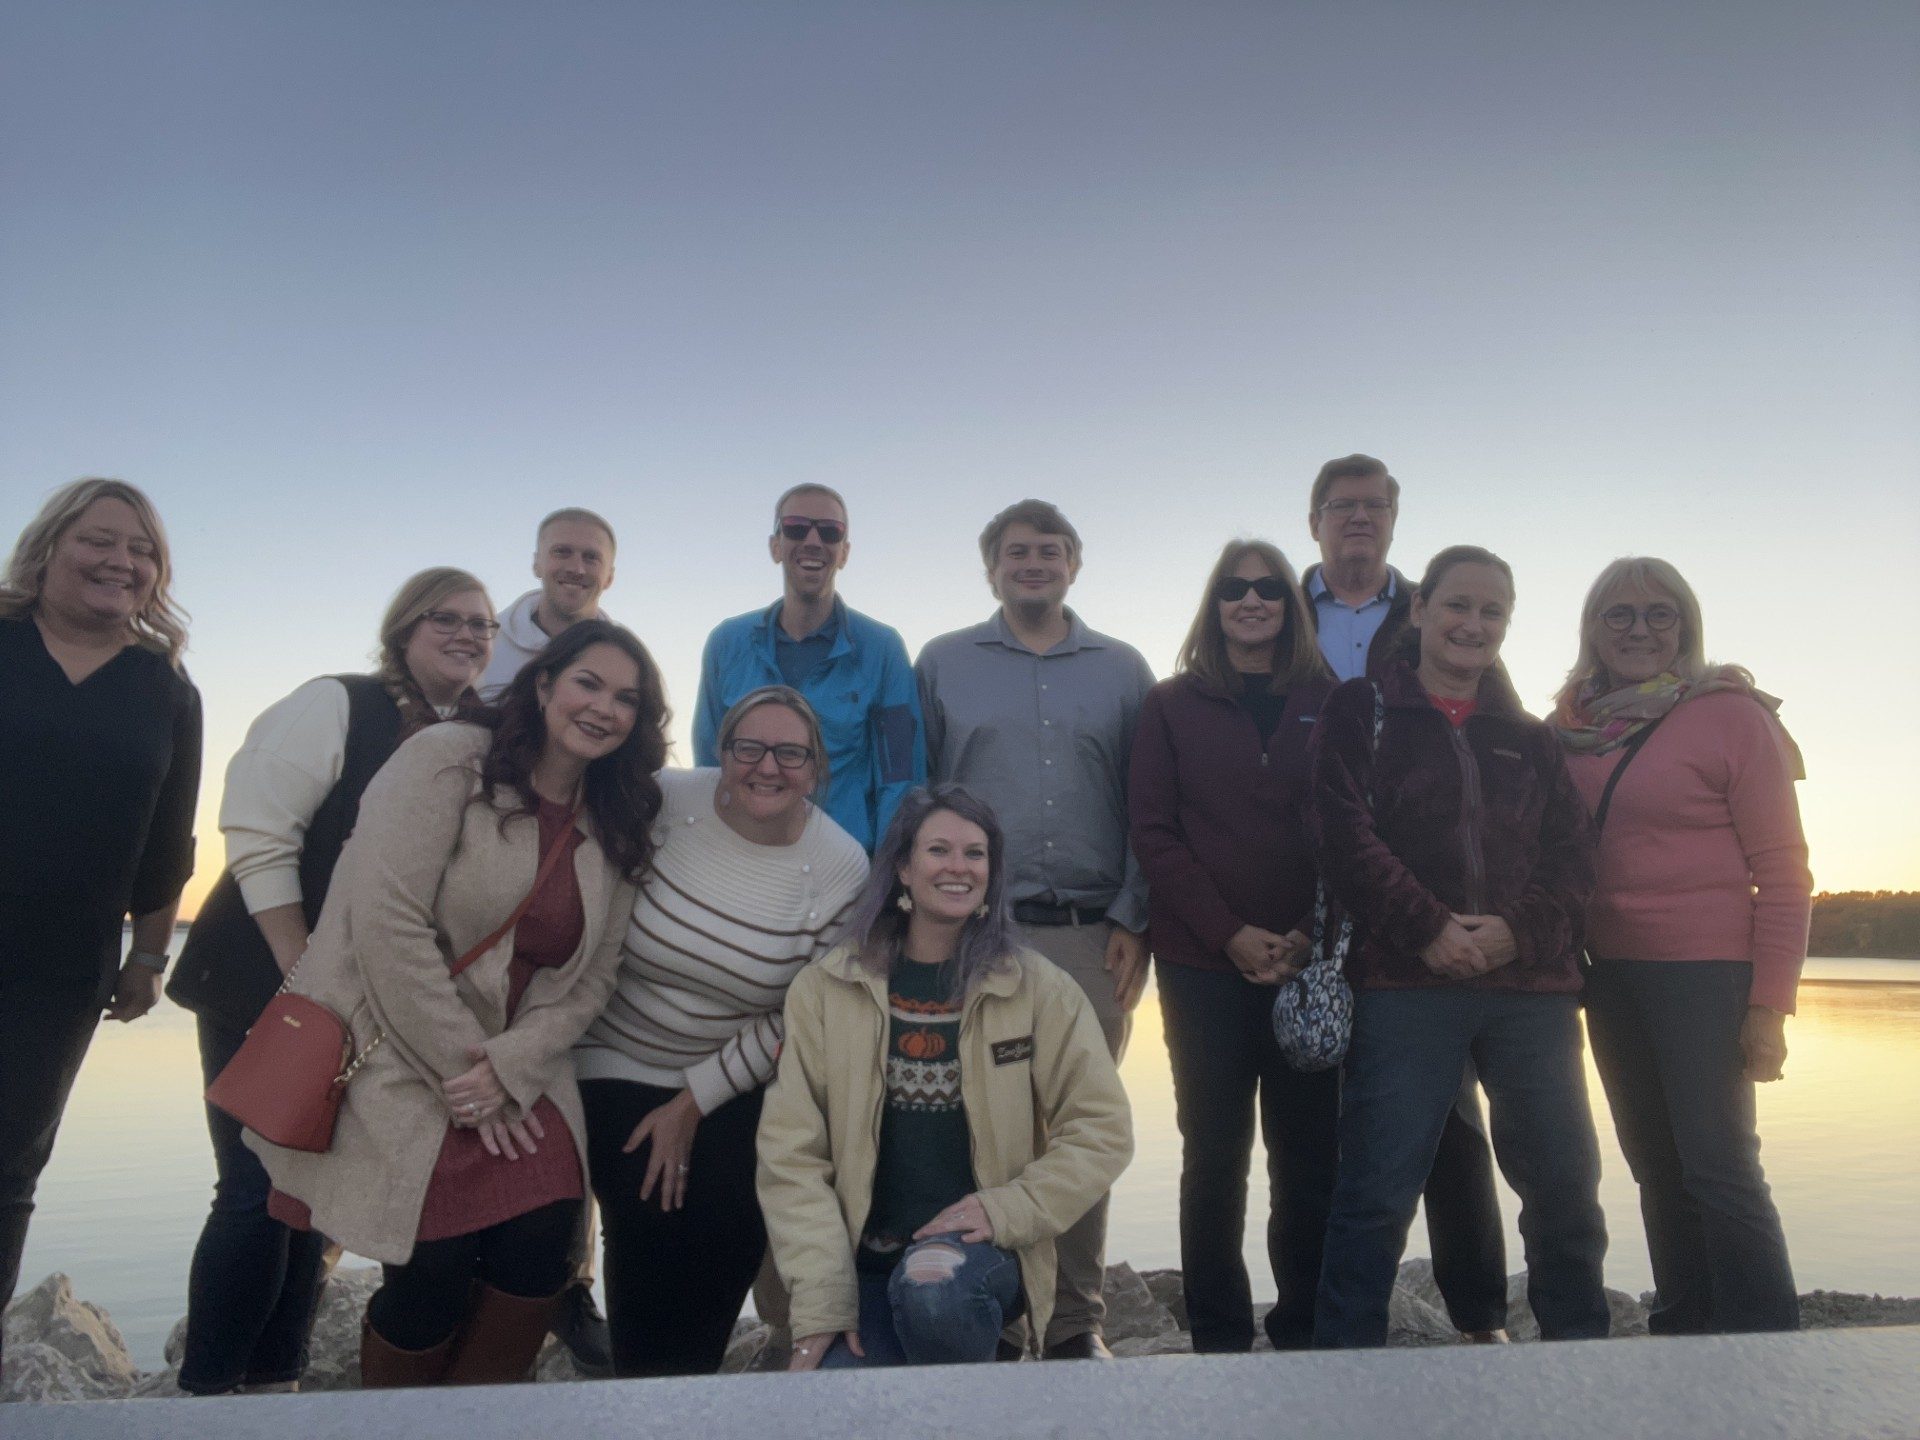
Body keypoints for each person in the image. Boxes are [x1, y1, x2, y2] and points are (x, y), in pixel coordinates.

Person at [248, 620, 669, 1387]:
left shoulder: (616, 815)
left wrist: (509, 1066)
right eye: (588, 683)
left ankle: (480, 1414)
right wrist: (463, 1069)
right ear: (544, 683)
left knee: (543, 1251)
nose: (604, 708)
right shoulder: (448, 760)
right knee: (431, 1269)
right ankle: (399, 1422)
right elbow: (386, 922)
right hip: (403, 1046)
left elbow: (592, 978)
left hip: (521, 1063)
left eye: (626, 699)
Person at [165, 567, 495, 1395]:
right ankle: (206, 1395)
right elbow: (259, 833)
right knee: (255, 1188)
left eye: (482, 624)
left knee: (319, 1195)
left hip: (373, 1004)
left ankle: (275, 1382)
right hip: (266, 984)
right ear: (403, 630)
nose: (467, 634)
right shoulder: (339, 704)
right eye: (446, 618)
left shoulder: (481, 736)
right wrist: (303, 973)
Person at [1309, 545, 1608, 1349]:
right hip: (1404, 987)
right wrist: (1429, 928)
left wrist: (1517, 932)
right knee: (1375, 1195)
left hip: (1531, 995)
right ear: (1419, 611)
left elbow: (1575, 862)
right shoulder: (1362, 709)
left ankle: (1582, 1361)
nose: (1473, 624)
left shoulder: (1531, 739)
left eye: (1492, 611)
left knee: (1564, 1192)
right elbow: (1342, 836)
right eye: (1458, 605)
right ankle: (1342, 1371)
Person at [760, 786, 1133, 1369]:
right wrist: (823, 1302)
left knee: (934, 1291)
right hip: (862, 1265)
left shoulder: (1037, 989)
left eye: (975, 854)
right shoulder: (827, 989)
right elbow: (791, 1155)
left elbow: (1102, 1129)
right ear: (903, 868)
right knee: (834, 1395)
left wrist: (1005, 1209)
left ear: (992, 872)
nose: (958, 867)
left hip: (978, 1259)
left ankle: (981, 1374)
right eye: (938, 850)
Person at [915, 499, 1152, 1360]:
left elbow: (1150, 802)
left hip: (1093, 935)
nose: (1033, 564)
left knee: (1080, 1127)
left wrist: (1134, 916)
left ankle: (1075, 1323)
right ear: (992, 568)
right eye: (1016, 552)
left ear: (1073, 565)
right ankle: (1001, 1318)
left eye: (1049, 550)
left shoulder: (1122, 669)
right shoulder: (942, 664)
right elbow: (919, 795)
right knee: (983, 1128)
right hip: (975, 932)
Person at [574, 686, 869, 1376]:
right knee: (647, 1206)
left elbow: (801, 1013)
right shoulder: (665, 800)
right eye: (749, 748)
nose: (767, 767)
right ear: (722, 750)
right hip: (613, 1054)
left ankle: (693, 1389)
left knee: (734, 1215)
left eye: (790, 753)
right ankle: (642, 1391)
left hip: (736, 1071)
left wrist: (693, 1101)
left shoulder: (840, 867)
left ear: (816, 767)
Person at [1553, 557, 1809, 1334]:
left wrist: (1769, 1008)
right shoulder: (1570, 727)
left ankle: (1766, 1347)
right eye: (1619, 614)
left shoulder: (1730, 715)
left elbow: (1784, 873)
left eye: (1658, 614)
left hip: (1706, 974)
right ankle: (1685, 1336)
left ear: (1685, 627)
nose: (1639, 630)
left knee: (1719, 1167)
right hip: (1608, 975)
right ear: (1593, 629)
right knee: (1655, 1167)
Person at [1302, 453, 1510, 1341]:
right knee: (1314, 1120)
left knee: (1453, 1123)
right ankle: (1316, 1320)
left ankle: (1479, 1314)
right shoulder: (1274, 607)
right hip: (1298, 896)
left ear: (1394, 518)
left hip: (1421, 915)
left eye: (1374, 506)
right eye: (1342, 505)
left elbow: (1501, 739)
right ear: (1315, 519)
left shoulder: (1441, 611)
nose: (1359, 518)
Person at [0, 478, 202, 1369]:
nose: (121, 561)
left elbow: (170, 840)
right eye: (99, 540)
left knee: (10, 1163)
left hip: (63, 962)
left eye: (142, 550)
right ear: (49, 546)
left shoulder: (166, 688)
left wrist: (149, 957)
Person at [1126, 540, 1337, 1352]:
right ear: (1214, 606)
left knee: (1307, 1158)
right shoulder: (1170, 705)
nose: (1252, 601)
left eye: (1269, 588)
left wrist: (1309, 934)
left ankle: (1303, 1328)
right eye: (1234, 589)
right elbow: (1154, 831)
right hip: (1202, 967)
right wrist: (1230, 933)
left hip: (1309, 967)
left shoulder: (1333, 700)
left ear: (1291, 604)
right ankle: (1217, 1337)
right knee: (1215, 1158)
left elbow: (1354, 830)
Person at [693, 484, 924, 853]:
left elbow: (900, 776)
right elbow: (709, 764)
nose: (813, 541)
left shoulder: (883, 650)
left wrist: (885, 872)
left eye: (830, 532)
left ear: (844, 552)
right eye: (796, 528)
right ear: (775, 546)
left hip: (845, 864)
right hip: (744, 856)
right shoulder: (727, 644)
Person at [480, 508, 620, 700]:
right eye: (562, 552)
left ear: (609, 577)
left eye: (591, 558)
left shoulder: (627, 664)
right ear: (536, 564)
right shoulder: (482, 646)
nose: (576, 569)